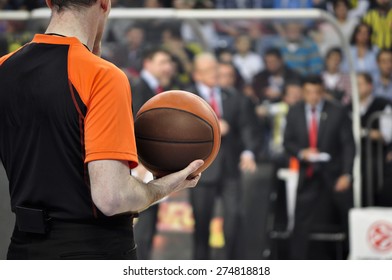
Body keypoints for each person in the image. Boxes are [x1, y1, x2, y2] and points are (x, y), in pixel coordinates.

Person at [0, 0, 203, 260]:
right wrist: (163, 186)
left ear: (50, 1)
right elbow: (112, 199)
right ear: (104, 3)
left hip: (22, 250)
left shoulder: (5, 67)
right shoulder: (102, 75)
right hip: (91, 252)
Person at [187, 53, 259, 260]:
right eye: (209, 70)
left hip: (230, 169)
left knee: (234, 219)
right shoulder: (188, 98)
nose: (215, 74)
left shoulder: (234, 97)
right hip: (201, 169)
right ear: (197, 74)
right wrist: (214, 126)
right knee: (201, 224)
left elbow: (247, 128)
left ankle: (233, 265)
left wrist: (248, 152)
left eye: (216, 68)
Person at [283, 76, 355, 259]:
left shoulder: (338, 111)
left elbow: (348, 145)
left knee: (346, 216)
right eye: (309, 92)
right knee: (300, 221)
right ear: (303, 93)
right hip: (307, 173)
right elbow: (287, 142)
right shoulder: (294, 111)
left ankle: (351, 257)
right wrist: (301, 152)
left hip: (335, 173)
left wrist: (347, 174)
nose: (313, 96)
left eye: (317, 92)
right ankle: (297, 262)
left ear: (323, 92)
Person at [132, 47, 175, 260]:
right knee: (142, 226)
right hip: (139, 167)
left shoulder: (157, 88)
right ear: (147, 63)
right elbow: (133, 125)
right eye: (163, 62)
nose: (169, 67)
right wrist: (139, 161)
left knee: (148, 227)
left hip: (150, 165)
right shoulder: (139, 87)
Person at [346, 73, 392, 206]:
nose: (356, 88)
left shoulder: (383, 105)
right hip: (353, 153)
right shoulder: (348, 107)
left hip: (377, 153)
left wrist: (363, 132)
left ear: (370, 86)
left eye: (359, 84)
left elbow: (385, 135)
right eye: (354, 85)